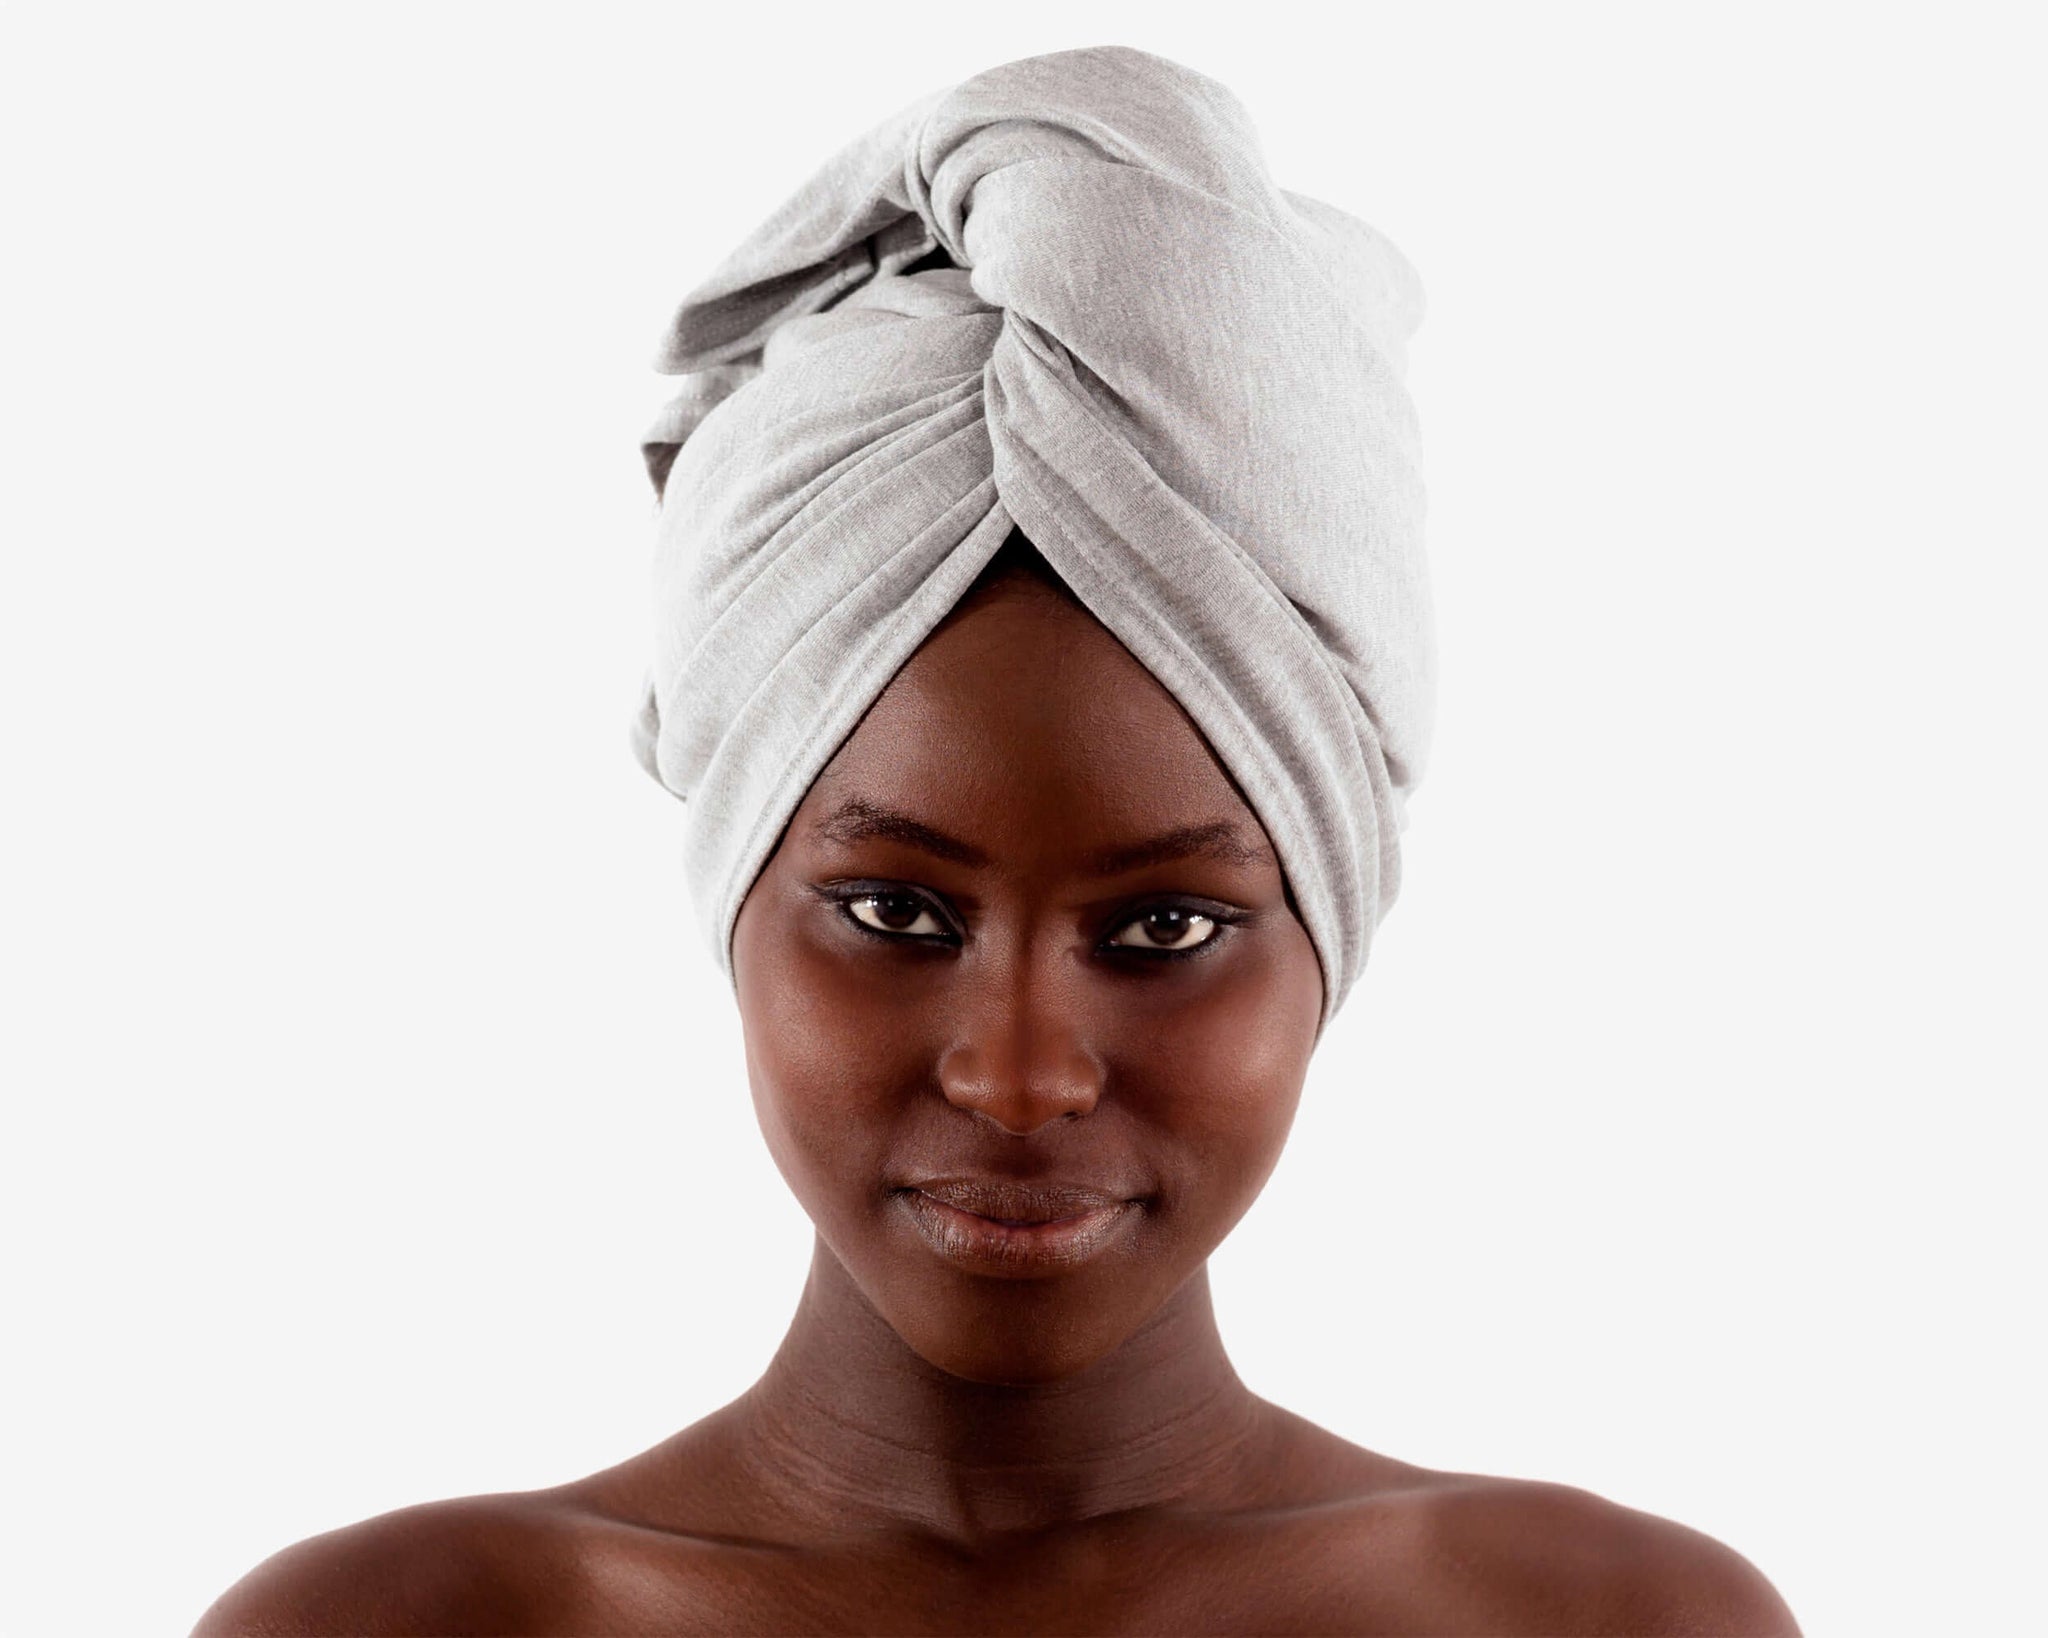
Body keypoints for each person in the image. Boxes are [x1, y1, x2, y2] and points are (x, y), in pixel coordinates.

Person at [196, 46, 1801, 1637]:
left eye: (1165, 927)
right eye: (895, 910)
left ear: (1333, 931)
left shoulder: (1611, 1621)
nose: (1021, 1077)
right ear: (735, 896)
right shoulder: (401, 1624)